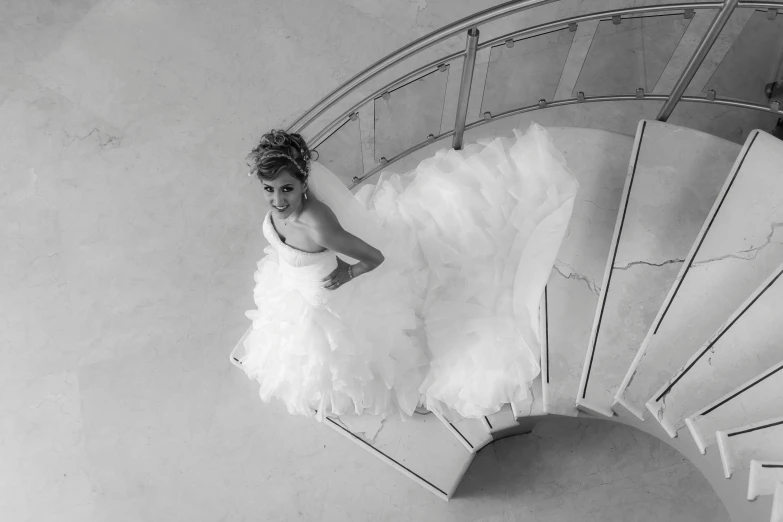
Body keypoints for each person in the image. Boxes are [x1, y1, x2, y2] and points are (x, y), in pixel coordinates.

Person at [235, 124, 579, 422]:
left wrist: (349, 273)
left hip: (331, 302)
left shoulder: (319, 225)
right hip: (295, 288)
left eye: (287, 189)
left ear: (303, 184)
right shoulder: (280, 210)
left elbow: (374, 257)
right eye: (269, 189)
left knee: (343, 352)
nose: (278, 200)